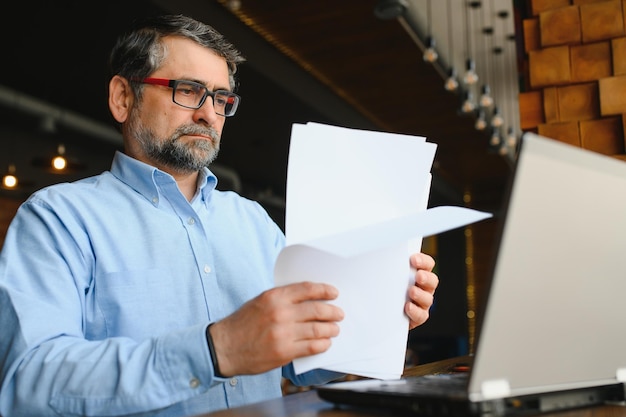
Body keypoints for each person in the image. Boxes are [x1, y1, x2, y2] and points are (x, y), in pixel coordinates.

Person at [0, 14, 439, 417]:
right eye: (188, 90)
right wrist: (216, 350)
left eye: (221, 98)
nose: (209, 113)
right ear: (122, 98)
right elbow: (29, 384)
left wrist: (380, 315)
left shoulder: (254, 222)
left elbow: (300, 364)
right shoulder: (57, 219)